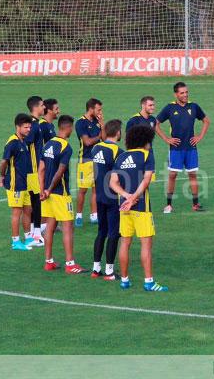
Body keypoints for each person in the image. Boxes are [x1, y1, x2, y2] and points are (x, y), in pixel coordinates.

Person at [110, 125, 168, 291]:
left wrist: (126, 196)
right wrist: (134, 197)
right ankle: (149, 282)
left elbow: (112, 182)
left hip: (124, 207)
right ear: (145, 140)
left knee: (125, 244)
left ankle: (125, 280)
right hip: (141, 207)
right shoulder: (146, 155)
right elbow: (146, 180)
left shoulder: (121, 157)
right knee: (146, 246)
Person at [39, 115, 87, 274]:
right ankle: (70, 263)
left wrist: (43, 190)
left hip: (46, 194)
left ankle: (48, 261)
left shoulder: (47, 145)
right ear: (68, 128)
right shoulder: (66, 147)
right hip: (60, 193)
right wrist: (50, 189)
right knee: (67, 227)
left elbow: (41, 169)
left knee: (50, 227)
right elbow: (60, 172)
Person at [156, 83, 210, 212]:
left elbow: (206, 121)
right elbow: (156, 124)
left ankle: (195, 204)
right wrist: (166, 139)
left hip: (191, 148)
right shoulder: (170, 108)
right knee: (172, 175)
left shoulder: (194, 106)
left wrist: (200, 136)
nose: (185, 95)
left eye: (186, 92)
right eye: (182, 93)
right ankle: (168, 204)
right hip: (176, 149)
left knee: (192, 174)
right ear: (176, 94)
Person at [90, 119, 124, 280]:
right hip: (113, 197)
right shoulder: (119, 152)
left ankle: (96, 268)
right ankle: (109, 271)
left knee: (101, 232)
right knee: (114, 233)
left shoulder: (96, 148)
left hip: (99, 195)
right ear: (118, 133)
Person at [0, 113, 33, 251]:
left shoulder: (23, 141)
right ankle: (15, 241)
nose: (28, 130)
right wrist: (2, 176)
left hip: (25, 183)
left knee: (28, 210)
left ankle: (28, 237)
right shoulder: (12, 142)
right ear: (17, 127)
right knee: (17, 212)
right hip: (15, 184)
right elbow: (3, 162)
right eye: (26, 127)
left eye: (29, 127)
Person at [75, 98, 105, 227]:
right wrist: (99, 136)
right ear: (91, 109)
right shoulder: (80, 123)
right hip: (85, 160)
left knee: (96, 189)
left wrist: (103, 125)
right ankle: (79, 215)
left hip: (98, 160)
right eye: (98, 109)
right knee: (83, 190)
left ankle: (94, 215)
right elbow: (87, 142)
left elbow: (104, 139)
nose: (100, 112)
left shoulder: (97, 122)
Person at [24, 96, 45, 247]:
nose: (44, 108)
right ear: (36, 107)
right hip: (33, 169)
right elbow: (25, 142)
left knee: (33, 200)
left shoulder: (34, 124)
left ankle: (33, 232)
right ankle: (36, 235)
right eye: (42, 105)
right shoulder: (34, 125)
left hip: (32, 168)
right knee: (36, 201)